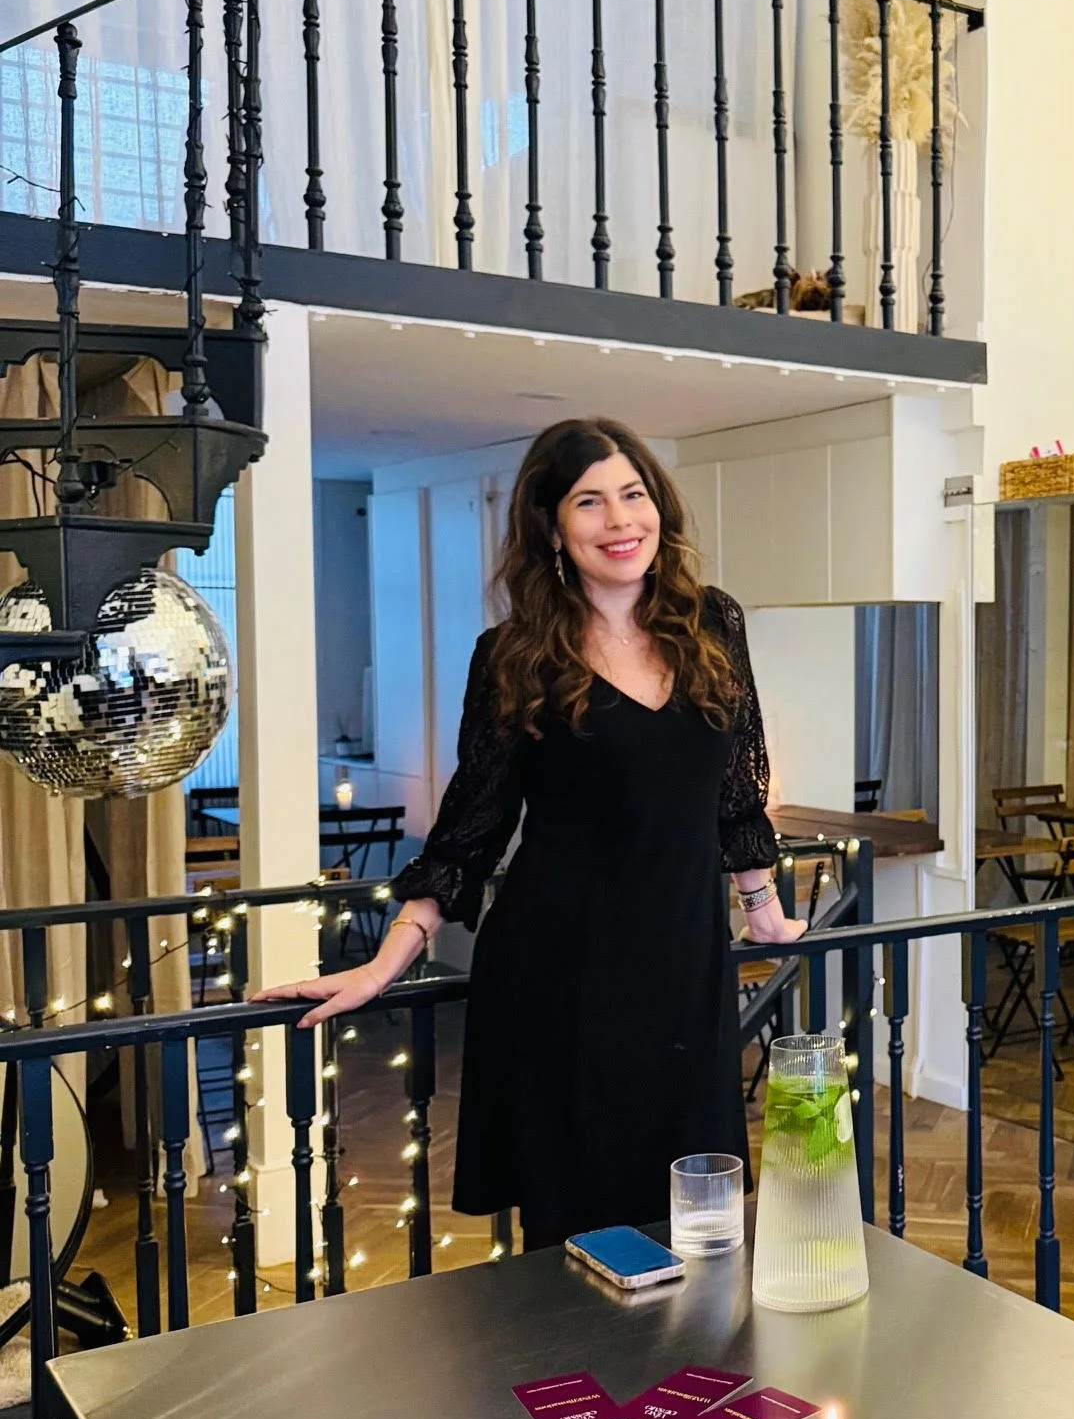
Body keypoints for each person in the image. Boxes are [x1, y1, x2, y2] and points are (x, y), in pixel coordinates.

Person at [258, 417, 804, 1246]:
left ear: (660, 507)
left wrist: (762, 908)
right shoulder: (512, 656)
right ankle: (582, 1378)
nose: (620, 521)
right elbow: (469, 832)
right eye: (590, 502)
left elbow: (733, 793)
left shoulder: (712, 626)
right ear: (553, 526)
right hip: (561, 977)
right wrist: (381, 964)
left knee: (697, 1220)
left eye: (634, 495)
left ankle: (684, 1375)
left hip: (684, 967)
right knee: (583, 1230)